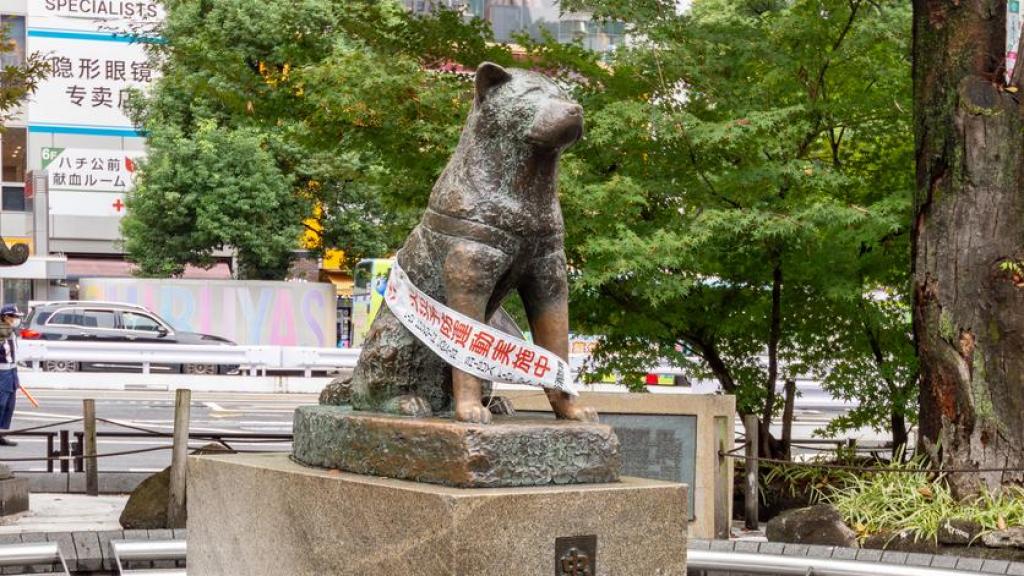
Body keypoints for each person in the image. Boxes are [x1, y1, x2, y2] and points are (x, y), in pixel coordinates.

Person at [0, 304, 22, 446]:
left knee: (9, 405)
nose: (16, 319)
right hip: (2, 372)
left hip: (12, 371)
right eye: (13, 316)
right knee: (1, 403)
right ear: (5, 317)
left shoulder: (11, 331)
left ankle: (0, 433)